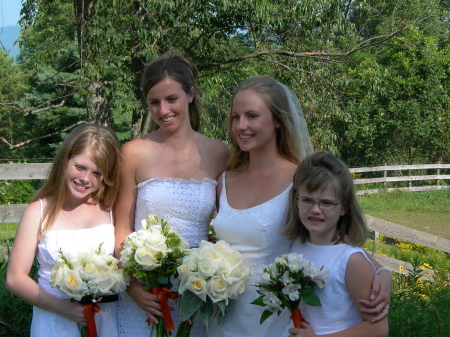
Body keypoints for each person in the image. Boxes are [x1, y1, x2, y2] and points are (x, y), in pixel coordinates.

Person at [209, 75, 391, 337]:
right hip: (224, 318)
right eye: (235, 117)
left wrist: (382, 272)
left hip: (276, 319)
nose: (241, 125)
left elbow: (337, 239)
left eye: (252, 116)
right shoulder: (224, 180)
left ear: (278, 121)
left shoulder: (301, 180)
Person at [114, 50, 229, 337]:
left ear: (190, 94)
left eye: (171, 99)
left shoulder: (219, 153)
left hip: (198, 292)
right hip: (144, 297)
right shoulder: (133, 153)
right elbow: (121, 229)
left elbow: (231, 222)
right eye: (154, 102)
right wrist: (133, 287)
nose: (163, 110)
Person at [6, 124, 122, 337]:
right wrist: (66, 309)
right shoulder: (38, 212)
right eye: (79, 167)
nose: (85, 178)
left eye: (97, 172)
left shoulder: (111, 209)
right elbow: (15, 278)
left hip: (105, 320)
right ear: (65, 160)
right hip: (54, 321)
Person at [282, 151, 389, 336]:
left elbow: (378, 328)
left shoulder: (352, 260)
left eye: (326, 203)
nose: (315, 210)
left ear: (344, 208)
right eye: (307, 200)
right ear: (296, 200)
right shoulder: (296, 245)